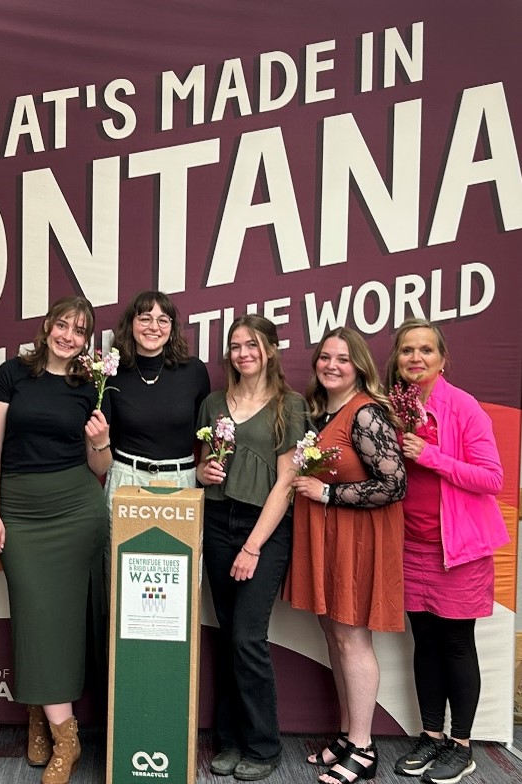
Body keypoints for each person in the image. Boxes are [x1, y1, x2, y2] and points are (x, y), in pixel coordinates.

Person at [0, 295, 110, 784]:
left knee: (65, 623)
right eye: (63, 325)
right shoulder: (12, 374)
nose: (68, 336)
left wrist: (101, 442)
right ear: (48, 326)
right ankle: (66, 735)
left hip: (77, 511)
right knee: (35, 616)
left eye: (79, 330)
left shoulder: (90, 386)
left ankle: (47, 723)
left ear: (86, 340)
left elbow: (100, 465)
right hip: (19, 511)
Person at [385, 319, 509, 784]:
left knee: (456, 644)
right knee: (424, 643)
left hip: (459, 551)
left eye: (426, 350)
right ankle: (431, 736)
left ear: (442, 360)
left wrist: (429, 455)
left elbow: (491, 478)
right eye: (407, 350)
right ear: (397, 360)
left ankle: (461, 746)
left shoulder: (464, 407)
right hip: (410, 546)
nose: (415, 358)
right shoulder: (392, 407)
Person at [288, 326, 406, 784]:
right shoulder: (322, 411)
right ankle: (346, 734)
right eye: (325, 357)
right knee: (335, 635)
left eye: (342, 358)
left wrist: (328, 494)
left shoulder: (366, 413)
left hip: (358, 540)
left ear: (359, 366)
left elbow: (394, 484)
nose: (332, 365)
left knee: (353, 639)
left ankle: (364, 747)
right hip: (330, 539)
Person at [197, 314, 308, 781]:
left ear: (271, 350)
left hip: (263, 528)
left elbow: (286, 483)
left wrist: (253, 546)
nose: (243, 353)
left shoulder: (290, 405)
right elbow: (204, 464)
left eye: (252, 345)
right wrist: (203, 473)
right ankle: (229, 741)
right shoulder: (213, 403)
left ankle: (263, 747)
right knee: (227, 636)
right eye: (236, 345)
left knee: (247, 637)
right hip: (217, 520)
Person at [104, 290, 210, 591]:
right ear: (131, 323)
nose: (154, 326)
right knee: (124, 584)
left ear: (172, 328)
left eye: (163, 320)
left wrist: (204, 467)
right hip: (127, 480)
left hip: (180, 482)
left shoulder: (194, 371)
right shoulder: (112, 372)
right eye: (145, 318)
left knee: (178, 583)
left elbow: (205, 432)